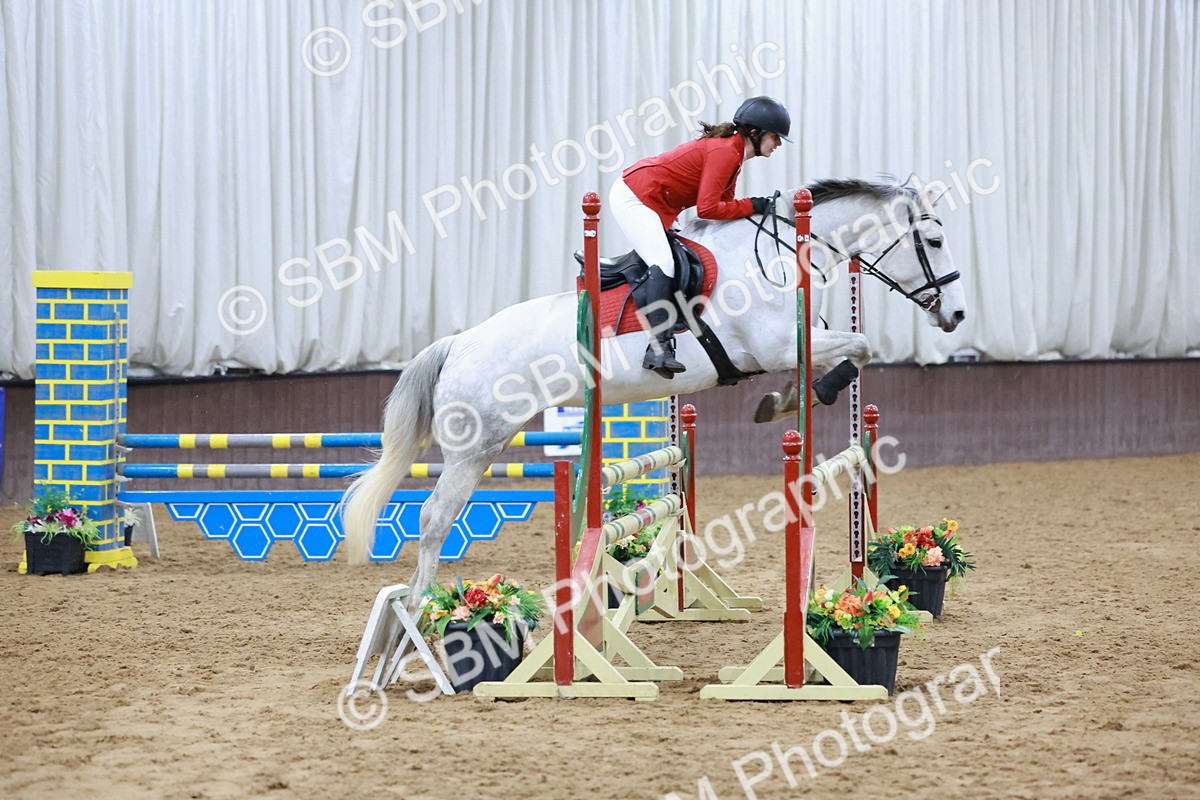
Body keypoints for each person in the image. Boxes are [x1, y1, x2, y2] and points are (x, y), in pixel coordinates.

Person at [609, 95, 791, 378]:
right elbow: (708, 208)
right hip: (635, 196)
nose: (778, 144)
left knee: (681, 256)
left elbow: (723, 205)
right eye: (775, 137)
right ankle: (657, 348)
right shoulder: (725, 152)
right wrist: (755, 205)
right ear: (755, 133)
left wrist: (753, 208)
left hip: (659, 203)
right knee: (663, 262)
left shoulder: (734, 155)